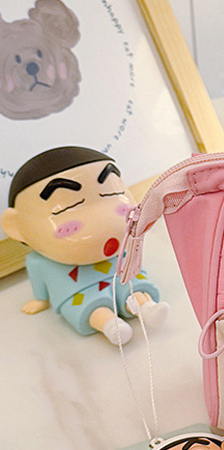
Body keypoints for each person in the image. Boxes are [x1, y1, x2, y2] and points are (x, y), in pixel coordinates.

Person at [1, 146, 168, 344]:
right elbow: (39, 283)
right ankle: (110, 326)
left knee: (134, 288)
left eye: (112, 192)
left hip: (121, 274)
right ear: (17, 227)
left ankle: (147, 308)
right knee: (91, 307)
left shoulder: (125, 242)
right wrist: (41, 300)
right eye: (68, 207)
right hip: (78, 292)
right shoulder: (40, 262)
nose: (102, 218)